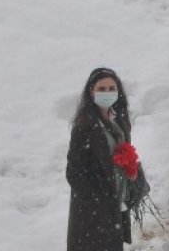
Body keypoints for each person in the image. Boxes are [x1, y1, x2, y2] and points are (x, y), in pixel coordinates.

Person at [66, 67, 144, 251]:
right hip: (95, 205)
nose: (107, 93)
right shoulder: (84, 126)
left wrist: (131, 169)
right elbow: (74, 172)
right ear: (92, 91)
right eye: (102, 89)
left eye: (111, 89)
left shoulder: (119, 118)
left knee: (112, 244)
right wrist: (96, 200)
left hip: (116, 196)